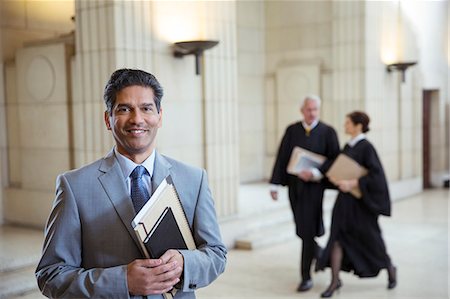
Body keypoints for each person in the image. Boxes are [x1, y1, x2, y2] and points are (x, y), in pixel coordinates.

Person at [35, 68, 227, 298]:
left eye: (146, 108)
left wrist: (184, 263)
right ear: (108, 119)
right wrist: (123, 281)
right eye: (124, 109)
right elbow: (51, 274)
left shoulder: (194, 179)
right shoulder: (74, 186)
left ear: (160, 116)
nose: (137, 119)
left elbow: (216, 255)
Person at [316, 111, 397, 298]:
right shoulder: (348, 146)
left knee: (372, 241)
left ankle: (390, 268)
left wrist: (352, 183)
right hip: (344, 203)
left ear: (359, 126)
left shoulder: (366, 147)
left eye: (348, 123)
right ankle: (334, 281)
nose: (345, 126)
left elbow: (376, 176)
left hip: (361, 205)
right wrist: (336, 178)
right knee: (336, 239)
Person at [269, 95, 340, 292]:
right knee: (303, 230)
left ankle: (305, 277)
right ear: (302, 110)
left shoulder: (328, 132)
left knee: (307, 231)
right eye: (309, 109)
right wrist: (274, 184)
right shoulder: (292, 130)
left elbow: (335, 159)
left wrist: (317, 173)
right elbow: (282, 156)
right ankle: (326, 258)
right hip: (295, 188)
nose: (312, 113)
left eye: (316, 109)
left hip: (314, 189)